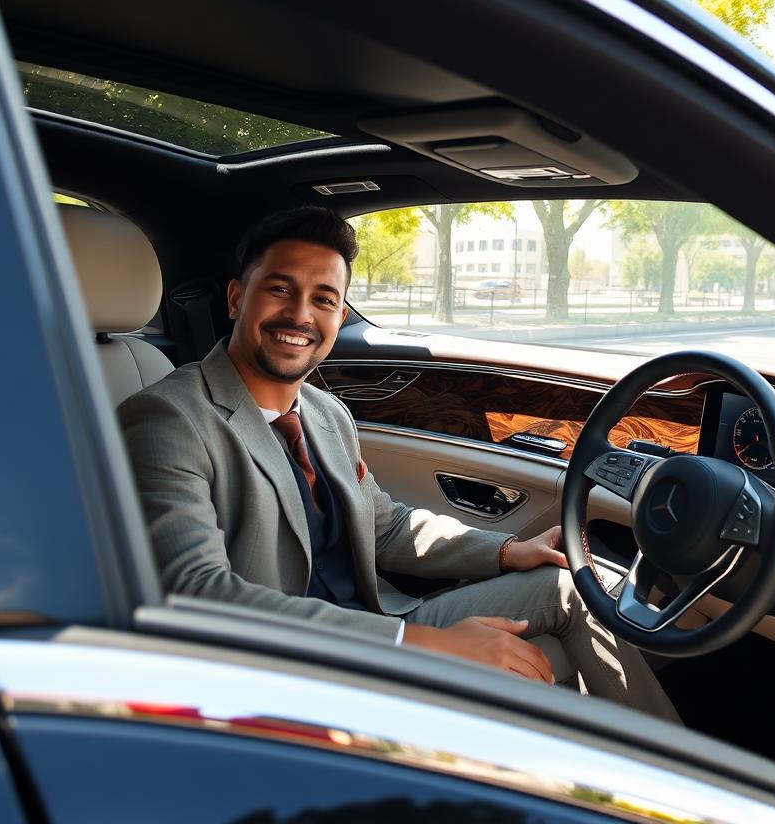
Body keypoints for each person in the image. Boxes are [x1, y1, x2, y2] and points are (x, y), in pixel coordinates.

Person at [119, 207, 678, 721]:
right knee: (538, 664)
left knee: (570, 589)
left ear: (340, 314)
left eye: (324, 298)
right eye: (280, 290)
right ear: (238, 299)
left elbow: (384, 526)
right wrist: (422, 645)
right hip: (281, 665)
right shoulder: (168, 418)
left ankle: (670, 781)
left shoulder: (324, 411)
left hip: (379, 622)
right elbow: (198, 593)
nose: (300, 314)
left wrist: (507, 552)